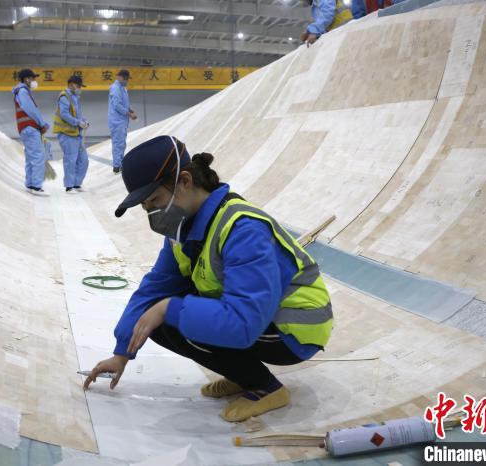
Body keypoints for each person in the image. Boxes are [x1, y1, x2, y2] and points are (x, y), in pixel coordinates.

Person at [84, 136, 334, 422]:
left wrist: (170, 308)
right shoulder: (183, 233)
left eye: (155, 200)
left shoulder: (242, 228)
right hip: (261, 319)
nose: (153, 214)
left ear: (185, 181)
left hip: (295, 330)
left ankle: (266, 387)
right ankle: (241, 375)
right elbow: (154, 288)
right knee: (155, 318)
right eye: (146, 208)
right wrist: (121, 353)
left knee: (172, 315)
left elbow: (243, 322)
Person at [12, 69, 50, 195]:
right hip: (30, 127)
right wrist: (42, 123)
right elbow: (31, 110)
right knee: (38, 156)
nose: (34, 81)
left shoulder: (21, 92)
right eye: (33, 79)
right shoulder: (23, 92)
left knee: (30, 157)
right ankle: (36, 186)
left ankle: (29, 184)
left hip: (25, 128)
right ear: (26, 79)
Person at [53, 74, 90, 193]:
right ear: (71, 84)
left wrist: (83, 121)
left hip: (76, 133)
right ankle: (69, 186)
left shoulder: (75, 98)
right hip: (67, 133)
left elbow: (77, 114)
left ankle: (77, 184)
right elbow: (64, 114)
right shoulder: (64, 96)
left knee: (84, 160)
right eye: (78, 86)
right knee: (70, 160)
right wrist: (77, 122)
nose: (80, 88)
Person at [108, 69, 137, 174]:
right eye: (126, 79)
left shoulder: (122, 88)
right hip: (117, 121)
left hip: (121, 121)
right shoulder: (116, 89)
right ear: (122, 78)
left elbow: (124, 103)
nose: (127, 81)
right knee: (118, 144)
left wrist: (130, 109)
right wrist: (129, 114)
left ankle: (119, 165)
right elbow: (117, 105)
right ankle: (116, 167)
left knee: (121, 144)